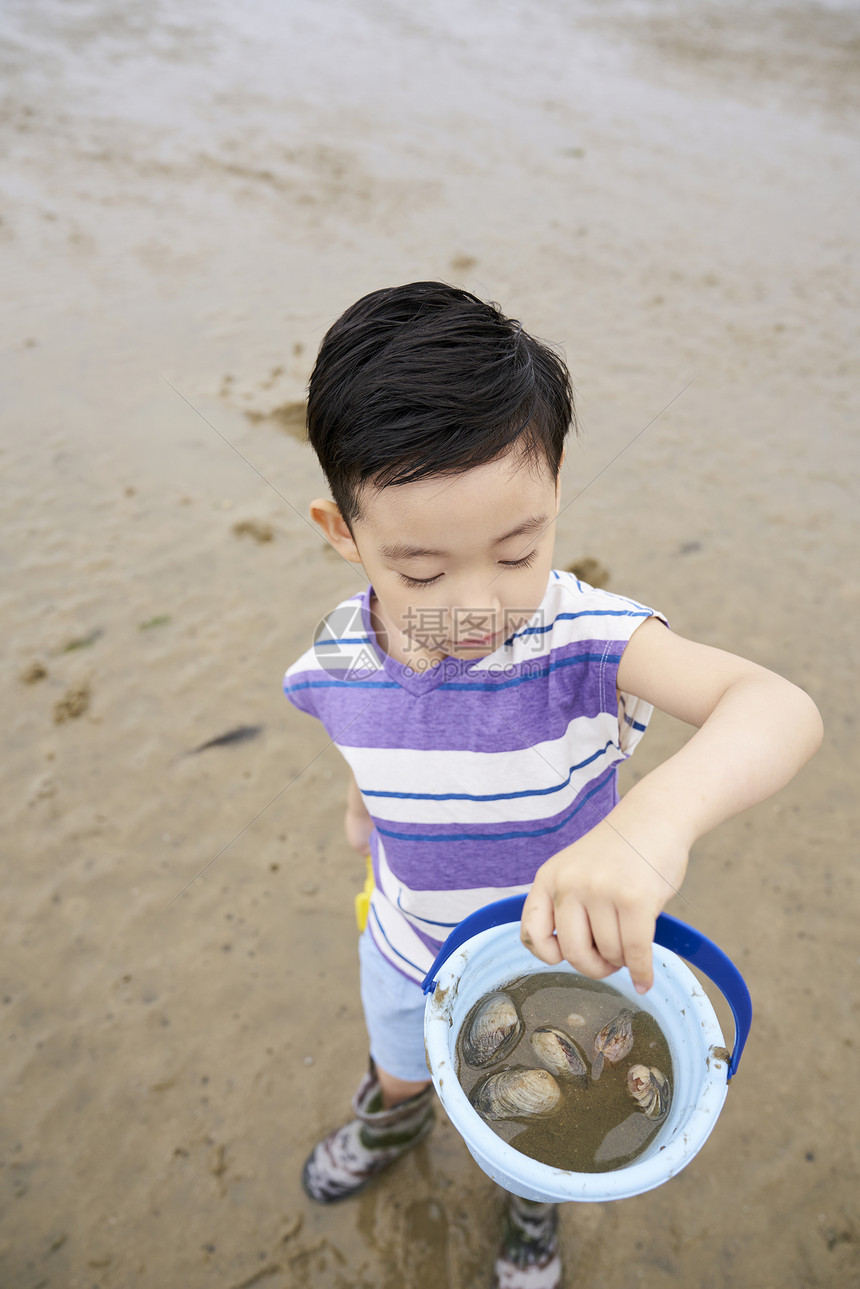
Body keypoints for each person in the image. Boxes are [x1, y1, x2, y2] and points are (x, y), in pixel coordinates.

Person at [282, 282, 822, 1288]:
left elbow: (776, 706)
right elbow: (365, 745)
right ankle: (390, 1118)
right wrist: (361, 807)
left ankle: (530, 1197)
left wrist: (647, 825)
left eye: (516, 550)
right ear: (342, 531)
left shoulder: (582, 639)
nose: (479, 601)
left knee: (545, 1107)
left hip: (565, 952)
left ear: (557, 489)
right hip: (402, 941)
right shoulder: (334, 658)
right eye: (423, 571)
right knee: (401, 1057)